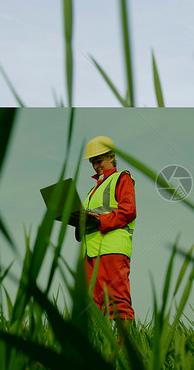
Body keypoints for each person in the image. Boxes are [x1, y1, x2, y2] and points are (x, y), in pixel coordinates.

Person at [76, 136, 136, 320]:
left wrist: (100, 220)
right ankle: (99, 344)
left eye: (99, 161)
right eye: (93, 162)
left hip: (111, 248)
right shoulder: (91, 191)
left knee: (117, 299)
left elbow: (129, 210)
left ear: (112, 156)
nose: (96, 166)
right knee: (91, 303)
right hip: (90, 252)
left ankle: (126, 346)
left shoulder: (122, 178)